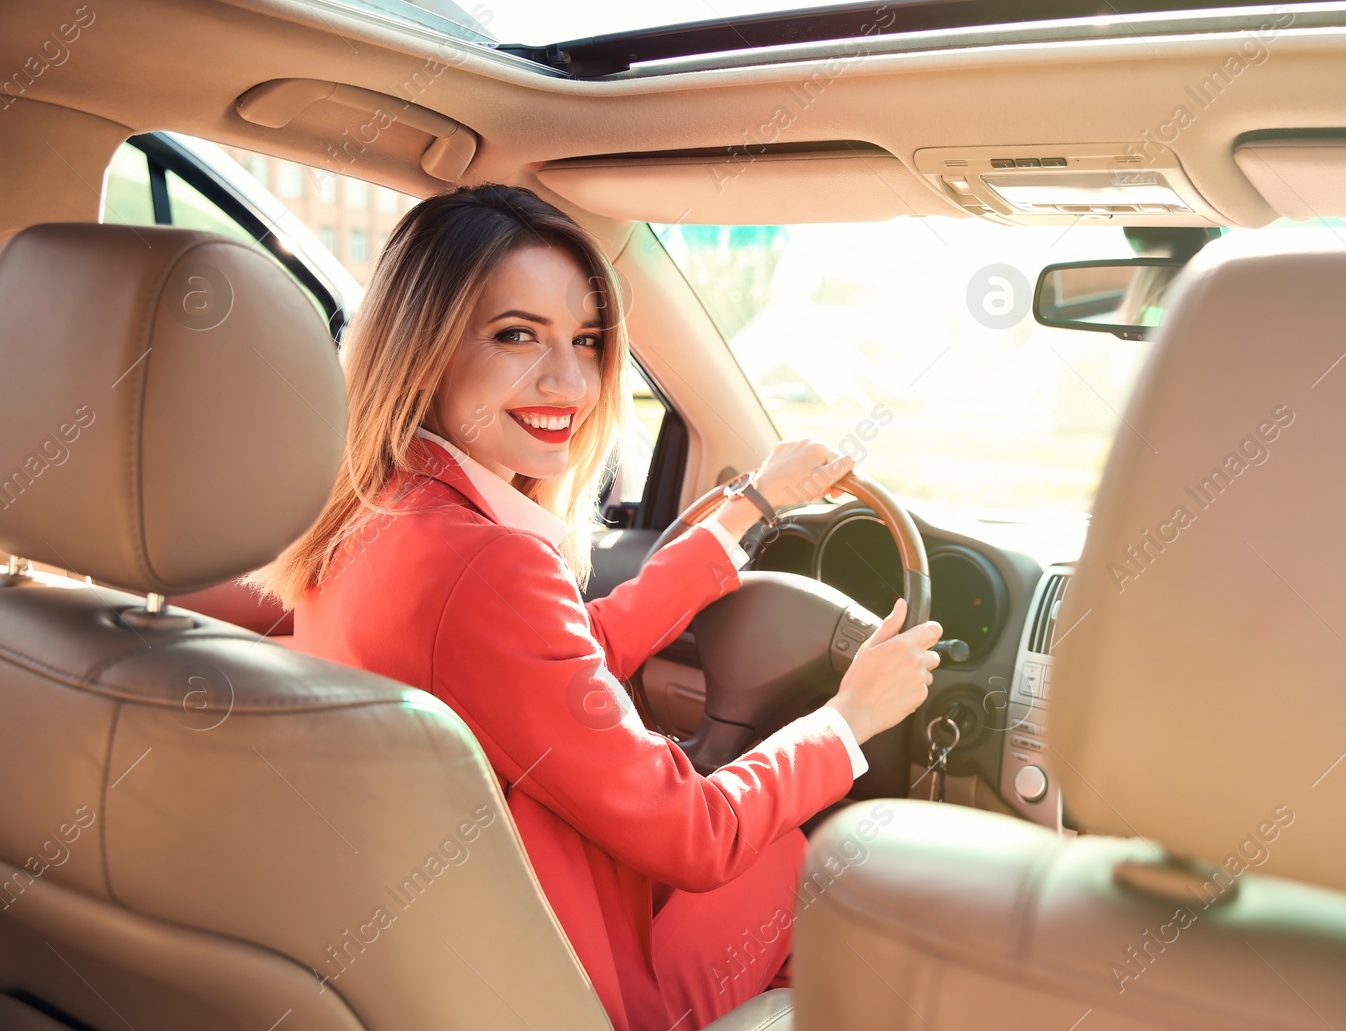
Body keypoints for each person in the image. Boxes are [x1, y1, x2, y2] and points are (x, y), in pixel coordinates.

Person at [254, 184, 942, 1031]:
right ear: (424, 350)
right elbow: (698, 834)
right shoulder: (488, 563)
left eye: (585, 341)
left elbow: (562, 661)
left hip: (439, 960)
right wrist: (849, 717)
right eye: (517, 336)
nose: (570, 382)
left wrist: (745, 510)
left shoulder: (368, 510)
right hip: (567, 995)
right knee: (813, 862)